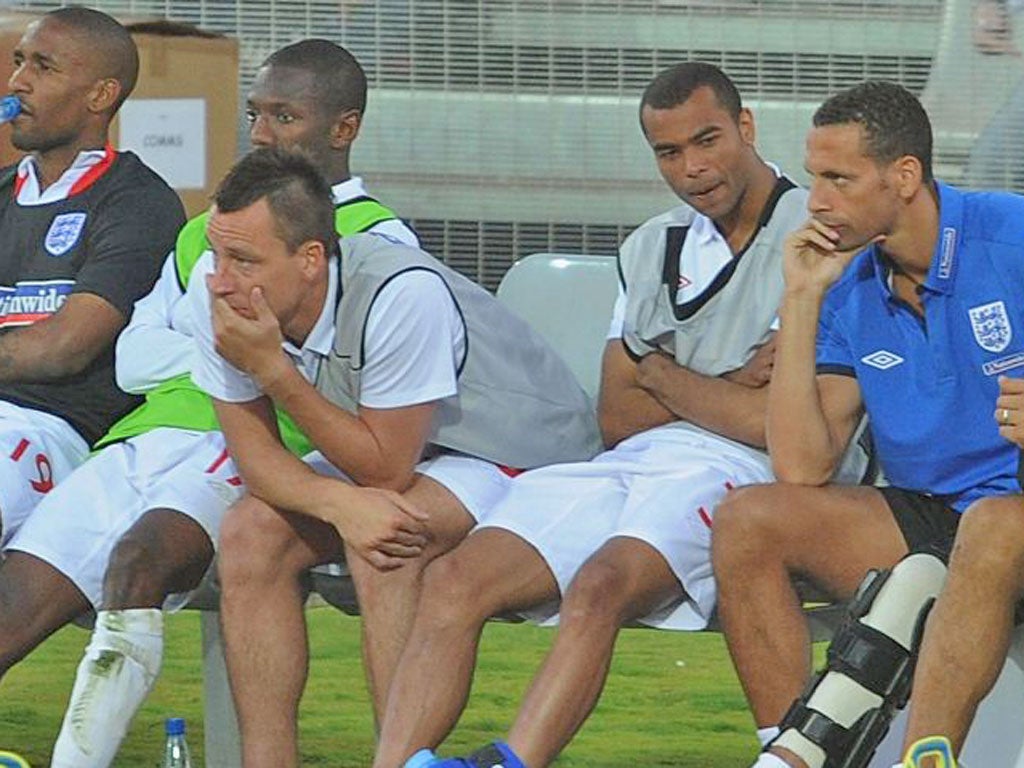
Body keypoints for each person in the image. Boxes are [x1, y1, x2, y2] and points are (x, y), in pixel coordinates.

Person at [369, 61, 864, 768]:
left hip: (744, 474)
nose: (693, 168)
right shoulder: (648, 248)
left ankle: (514, 761)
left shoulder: (819, 232)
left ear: (746, 127)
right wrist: (724, 382)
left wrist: (661, 370)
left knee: (600, 586)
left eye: (707, 140)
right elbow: (617, 416)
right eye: (670, 153)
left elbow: (778, 431)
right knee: (453, 580)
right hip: (633, 459)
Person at [0, 40, 415, 765]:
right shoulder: (207, 229)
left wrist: (240, 357)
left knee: (138, 563)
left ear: (342, 128)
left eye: (284, 116)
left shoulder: (376, 238)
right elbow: (133, 360)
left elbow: (345, 379)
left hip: (260, 442)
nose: (260, 133)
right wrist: (243, 349)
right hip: (141, 436)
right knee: (15, 603)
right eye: (256, 114)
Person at [192, 146, 600, 767]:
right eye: (216, 253)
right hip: (409, 453)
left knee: (387, 537)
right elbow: (257, 459)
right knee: (249, 529)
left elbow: (385, 469)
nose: (220, 278)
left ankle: (400, 758)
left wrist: (273, 370)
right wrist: (339, 503)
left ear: (309, 260)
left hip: (518, 447)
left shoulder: (401, 292)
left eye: (243, 259)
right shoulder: (219, 292)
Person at [709, 80, 1024, 768]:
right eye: (815, 176)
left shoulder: (1012, 237)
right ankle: (793, 751)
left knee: (995, 526)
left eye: (838, 179)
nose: (815, 200)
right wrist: (801, 295)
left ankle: (922, 760)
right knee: (749, 520)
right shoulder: (848, 284)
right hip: (932, 516)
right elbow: (801, 466)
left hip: (1014, 512)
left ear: (904, 175)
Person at [0, 9, 183, 568]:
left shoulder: (138, 203)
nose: (17, 82)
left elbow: (64, 347)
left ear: (101, 95)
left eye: (43, 66)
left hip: (54, 431)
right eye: (18, 62)